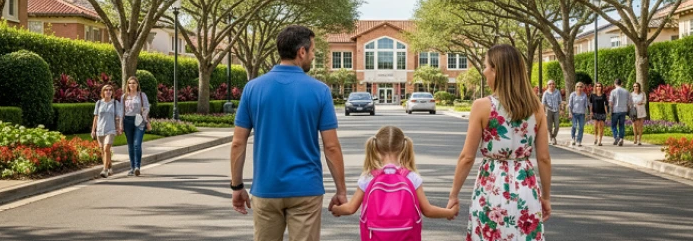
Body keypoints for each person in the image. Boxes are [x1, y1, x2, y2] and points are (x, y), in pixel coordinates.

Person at [229, 25, 347, 241]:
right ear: (301, 52)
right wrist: (341, 191)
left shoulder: (253, 88)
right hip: (306, 189)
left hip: (266, 188)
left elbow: (238, 143)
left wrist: (237, 187)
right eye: (312, 51)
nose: (313, 56)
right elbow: (331, 147)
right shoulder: (319, 91)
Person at [447, 44, 551, 241]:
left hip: (491, 186)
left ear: (496, 70)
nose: (484, 71)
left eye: (486, 66)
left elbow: (467, 157)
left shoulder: (482, 106)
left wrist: (454, 194)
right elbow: (544, 158)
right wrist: (546, 197)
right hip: (526, 187)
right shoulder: (537, 107)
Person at [330, 126, 459, 239]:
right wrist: (450, 212)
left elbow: (350, 208)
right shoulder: (411, 177)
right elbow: (428, 210)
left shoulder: (368, 177)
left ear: (376, 147)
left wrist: (336, 209)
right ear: (403, 146)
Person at [91, 84, 123, 178]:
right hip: (100, 130)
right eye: (106, 90)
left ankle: (104, 170)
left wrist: (119, 128)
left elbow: (118, 117)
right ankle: (109, 166)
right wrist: (93, 130)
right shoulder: (99, 103)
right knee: (102, 151)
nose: (108, 91)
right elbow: (96, 117)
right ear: (103, 92)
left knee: (106, 149)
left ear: (112, 92)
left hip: (111, 129)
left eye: (110, 90)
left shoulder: (115, 103)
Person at [122, 76, 151, 176]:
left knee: (137, 144)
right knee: (130, 145)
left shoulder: (142, 95)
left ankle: (137, 167)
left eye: (134, 83)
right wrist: (120, 124)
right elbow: (121, 111)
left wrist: (145, 119)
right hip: (127, 121)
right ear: (128, 85)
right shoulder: (124, 96)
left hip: (139, 120)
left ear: (137, 84)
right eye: (130, 83)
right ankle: (132, 167)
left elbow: (146, 107)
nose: (132, 85)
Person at [609, 78, 633, 146]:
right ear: (621, 83)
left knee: (613, 125)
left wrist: (610, 111)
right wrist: (628, 109)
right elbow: (630, 102)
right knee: (621, 125)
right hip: (623, 110)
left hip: (615, 111)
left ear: (614, 84)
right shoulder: (626, 91)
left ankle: (616, 137)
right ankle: (621, 138)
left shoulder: (613, 91)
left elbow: (611, 102)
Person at [567, 82, 589, 146]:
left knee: (581, 127)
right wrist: (570, 112)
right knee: (574, 126)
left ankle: (579, 140)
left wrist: (586, 113)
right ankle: (573, 138)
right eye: (578, 86)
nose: (579, 88)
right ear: (576, 87)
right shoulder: (572, 94)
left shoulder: (584, 95)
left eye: (581, 87)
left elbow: (586, 105)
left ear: (583, 88)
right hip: (574, 113)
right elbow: (570, 105)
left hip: (581, 114)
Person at [541, 79, 562, 145]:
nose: (551, 85)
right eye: (550, 84)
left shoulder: (557, 92)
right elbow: (543, 103)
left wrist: (561, 110)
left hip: (556, 110)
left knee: (557, 125)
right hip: (548, 110)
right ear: (547, 85)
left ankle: (553, 136)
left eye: (553, 84)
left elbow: (560, 102)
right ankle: (551, 137)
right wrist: (543, 112)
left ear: (554, 85)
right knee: (549, 127)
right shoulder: (545, 93)